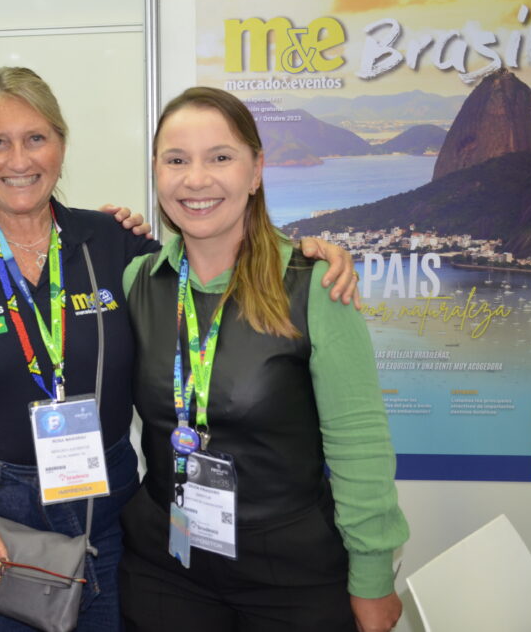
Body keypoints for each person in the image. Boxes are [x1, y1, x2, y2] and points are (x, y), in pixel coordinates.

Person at [0, 68, 361, 631]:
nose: (18, 159)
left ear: (62, 146)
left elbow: (212, 256)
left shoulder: (115, 244)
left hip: (113, 514)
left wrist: (305, 253)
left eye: (36, 138)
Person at [118, 87, 409, 632]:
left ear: (256, 172)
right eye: (176, 160)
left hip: (290, 573)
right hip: (168, 563)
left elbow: (361, 443)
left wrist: (372, 576)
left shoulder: (312, 283)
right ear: (157, 173)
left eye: (220, 158)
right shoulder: (140, 279)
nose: (196, 179)